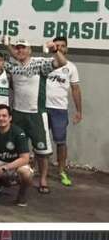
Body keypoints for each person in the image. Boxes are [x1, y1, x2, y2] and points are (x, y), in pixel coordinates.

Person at [3, 38, 67, 194]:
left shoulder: (40, 63)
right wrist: (6, 46)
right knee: (16, 149)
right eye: (17, 48)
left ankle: (43, 179)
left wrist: (55, 51)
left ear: (30, 50)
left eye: (23, 48)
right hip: (17, 114)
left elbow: (61, 63)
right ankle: (17, 176)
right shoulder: (12, 65)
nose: (20, 50)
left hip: (37, 115)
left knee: (42, 152)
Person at [45, 37, 82, 187]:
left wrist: (79, 111)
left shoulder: (71, 67)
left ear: (66, 49)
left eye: (62, 46)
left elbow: (75, 89)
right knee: (40, 141)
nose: (59, 48)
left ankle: (61, 170)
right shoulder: (45, 63)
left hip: (59, 110)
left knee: (60, 142)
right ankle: (39, 169)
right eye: (56, 45)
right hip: (42, 107)